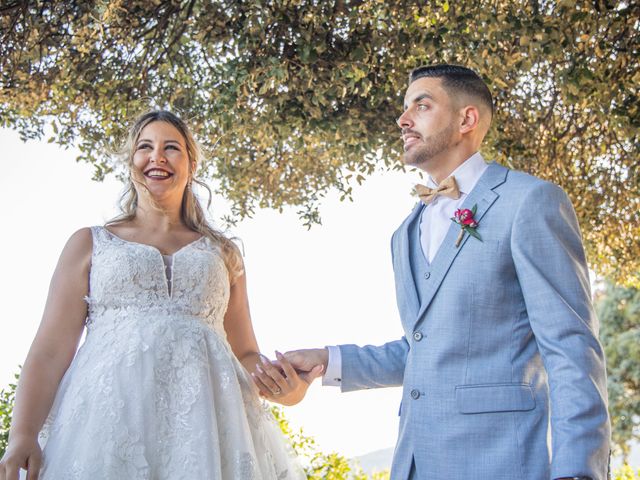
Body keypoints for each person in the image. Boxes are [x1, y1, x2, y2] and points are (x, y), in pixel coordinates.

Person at [281, 65, 611, 479]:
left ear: (466, 120)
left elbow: (571, 347)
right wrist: (328, 361)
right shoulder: (404, 232)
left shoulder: (529, 202)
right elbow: (423, 349)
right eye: (404, 109)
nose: (403, 120)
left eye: (421, 105)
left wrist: (578, 471)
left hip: (504, 460)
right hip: (415, 462)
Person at [0, 110, 322, 480]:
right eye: (145, 147)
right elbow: (50, 349)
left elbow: (245, 352)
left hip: (207, 433)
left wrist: (286, 389)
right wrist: (22, 434)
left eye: (172, 147)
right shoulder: (89, 243)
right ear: (131, 161)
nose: (157, 156)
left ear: (191, 163)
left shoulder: (224, 253)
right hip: (107, 427)